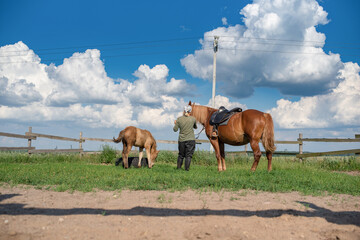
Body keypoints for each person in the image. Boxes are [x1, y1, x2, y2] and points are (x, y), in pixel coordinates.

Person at [173, 105, 197, 171]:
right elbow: (195, 127)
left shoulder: (179, 119)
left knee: (181, 155)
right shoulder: (193, 119)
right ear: (190, 111)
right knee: (188, 155)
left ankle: (179, 168)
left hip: (182, 140)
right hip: (190, 139)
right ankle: (186, 170)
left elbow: (175, 130)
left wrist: (175, 123)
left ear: (184, 111)